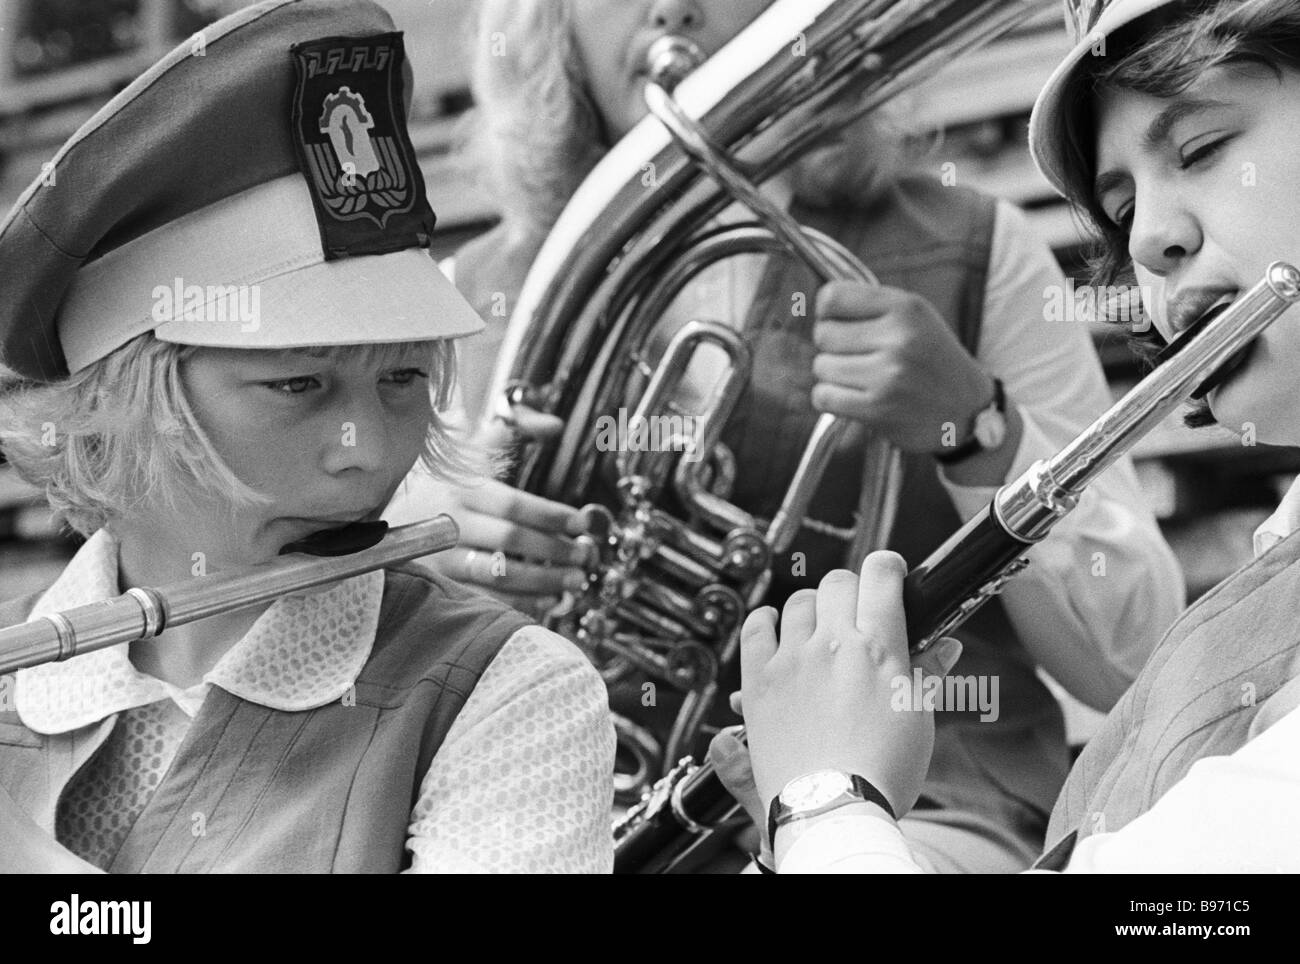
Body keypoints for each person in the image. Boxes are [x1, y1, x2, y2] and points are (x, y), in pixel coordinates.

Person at [387, 0, 1185, 872]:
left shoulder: (980, 248)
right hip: (571, 816)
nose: (674, 5)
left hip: (923, 807)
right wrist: (421, 546)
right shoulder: (468, 298)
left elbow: (1135, 659)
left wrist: (979, 427)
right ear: (548, 25)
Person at [0, 0, 614, 874]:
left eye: (402, 377)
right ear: (119, 401)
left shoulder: (509, 691)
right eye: (298, 383)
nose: (368, 452)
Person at [715, 0, 1300, 873]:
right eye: (1122, 204)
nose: (1146, 238)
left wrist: (823, 799)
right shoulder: (1268, 584)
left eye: (1203, 150)